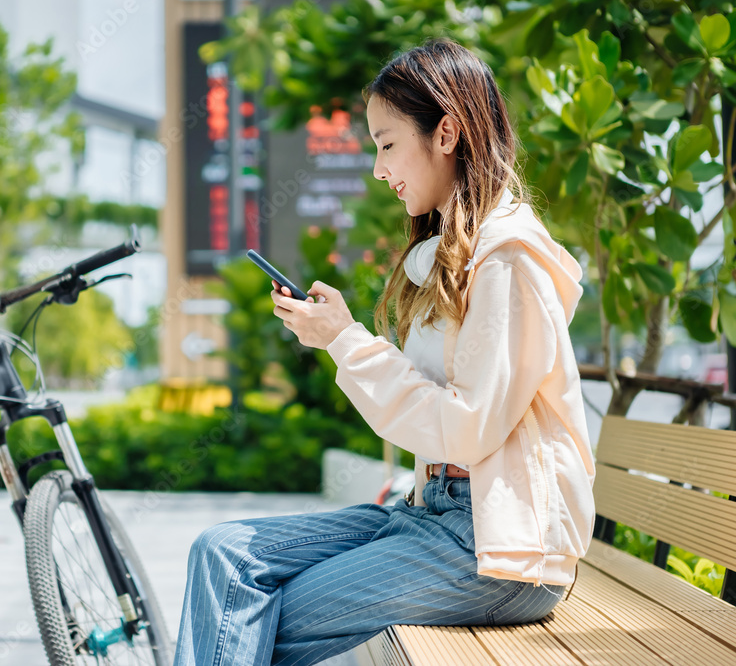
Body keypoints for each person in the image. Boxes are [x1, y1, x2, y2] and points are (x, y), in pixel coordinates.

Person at [173, 37, 596, 666]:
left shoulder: (508, 261)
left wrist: (345, 342)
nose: (379, 168)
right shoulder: (457, 255)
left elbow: (466, 427)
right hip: (435, 513)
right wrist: (343, 340)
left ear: (447, 134)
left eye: (387, 143)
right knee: (223, 550)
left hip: (500, 547)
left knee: (246, 619)